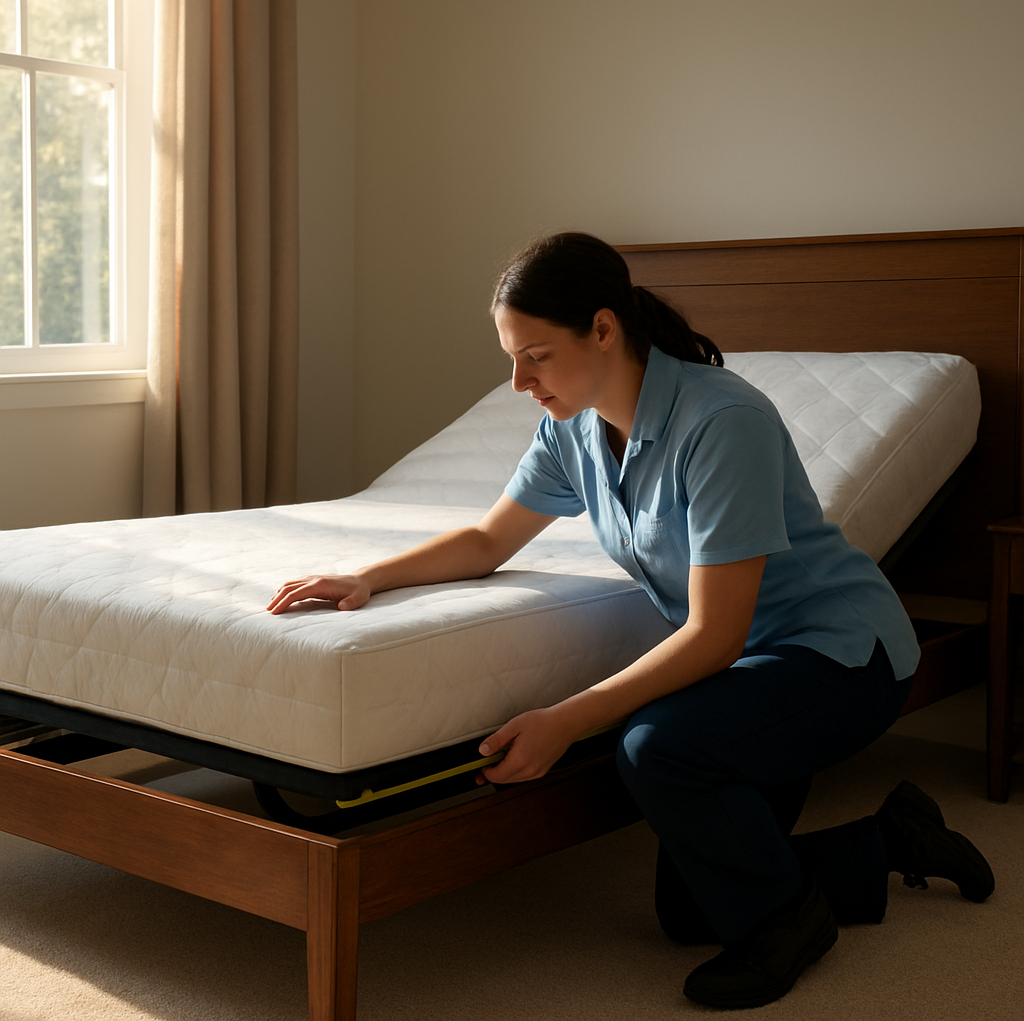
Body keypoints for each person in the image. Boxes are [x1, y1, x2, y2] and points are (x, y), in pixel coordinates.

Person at [268, 232, 994, 1009]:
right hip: (750, 667)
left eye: (536, 355)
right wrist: (364, 578)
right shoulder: (571, 430)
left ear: (604, 329)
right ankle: (891, 839)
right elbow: (488, 539)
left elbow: (715, 634)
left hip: (842, 656)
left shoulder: (723, 421)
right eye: (512, 357)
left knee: (656, 748)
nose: (519, 382)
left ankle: (791, 921)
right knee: (689, 910)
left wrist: (566, 720)